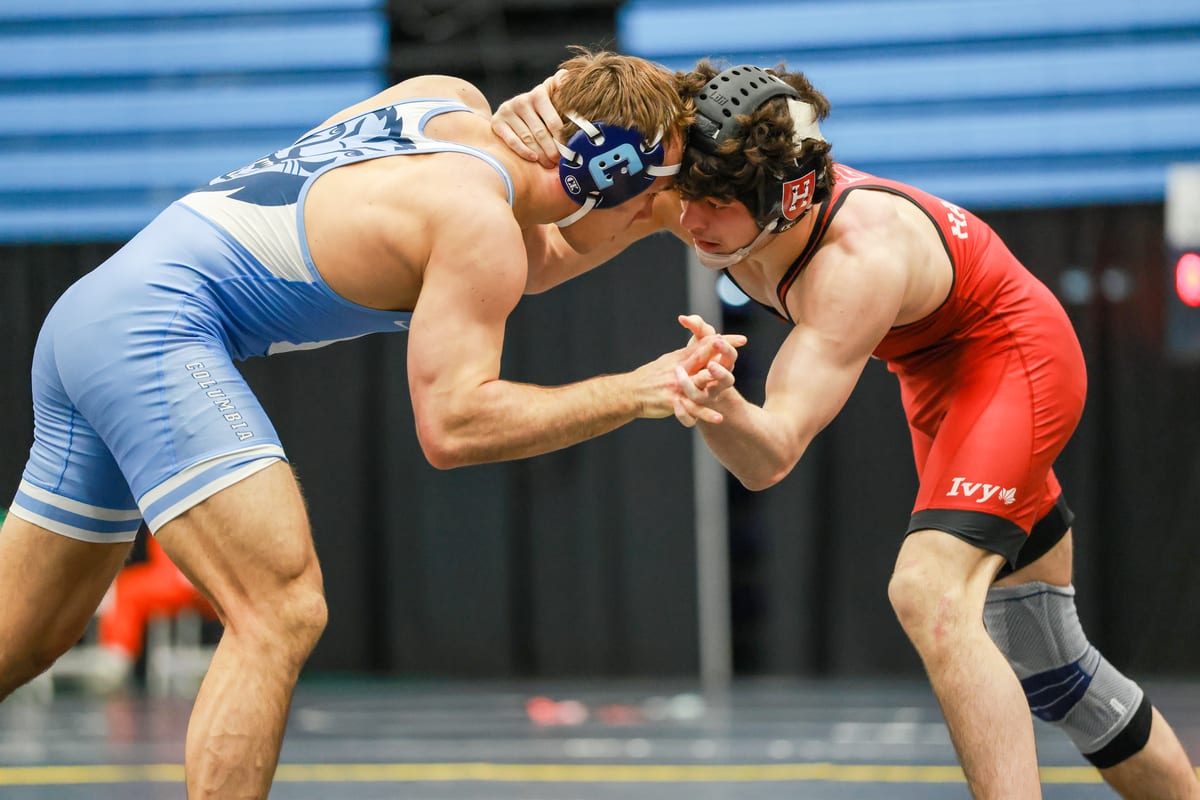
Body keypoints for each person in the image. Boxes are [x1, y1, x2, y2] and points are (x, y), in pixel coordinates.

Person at [0, 48, 743, 799]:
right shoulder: (476, 223)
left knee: (21, 639)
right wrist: (633, 392)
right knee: (280, 609)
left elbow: (542, 248)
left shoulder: (442, 98)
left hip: (88, 314)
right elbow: (453, 427)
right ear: (601, 177)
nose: (663, 211)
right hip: (152, 331)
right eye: (654, 195)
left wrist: (650, 210)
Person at [493, 62, 1200, 798]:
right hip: (935, 374)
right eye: (686, 196)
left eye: (714, 204)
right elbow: (545, 261)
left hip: (1013, 358)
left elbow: (771, 454)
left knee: (928, 592)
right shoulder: (703, 186)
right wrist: (527, 126)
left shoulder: (857, 259)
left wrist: (725, 405)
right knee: (1053, 666)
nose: (690, 220)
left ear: (784, 198)